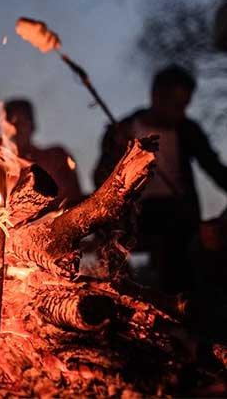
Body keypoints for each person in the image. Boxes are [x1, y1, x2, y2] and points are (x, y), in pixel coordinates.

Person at [93, 65, 227, 294]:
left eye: (185, 105)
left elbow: (213, 166)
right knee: (110, 232)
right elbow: (100, 177)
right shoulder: (124, 129)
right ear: (156, 96)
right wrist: (117, 152)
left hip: (178, 211)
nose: (181, 112)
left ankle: (181, 308)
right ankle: (116, 297)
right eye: (176, 105)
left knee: (183, 237)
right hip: (133, 212)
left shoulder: (187, 130)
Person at [4, 98, 82, 206]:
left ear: (32, 125)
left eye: (21, 123)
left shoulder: (55, 157)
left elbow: (72, 197)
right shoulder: (4, 169)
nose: (17, 129)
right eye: (12, 124)